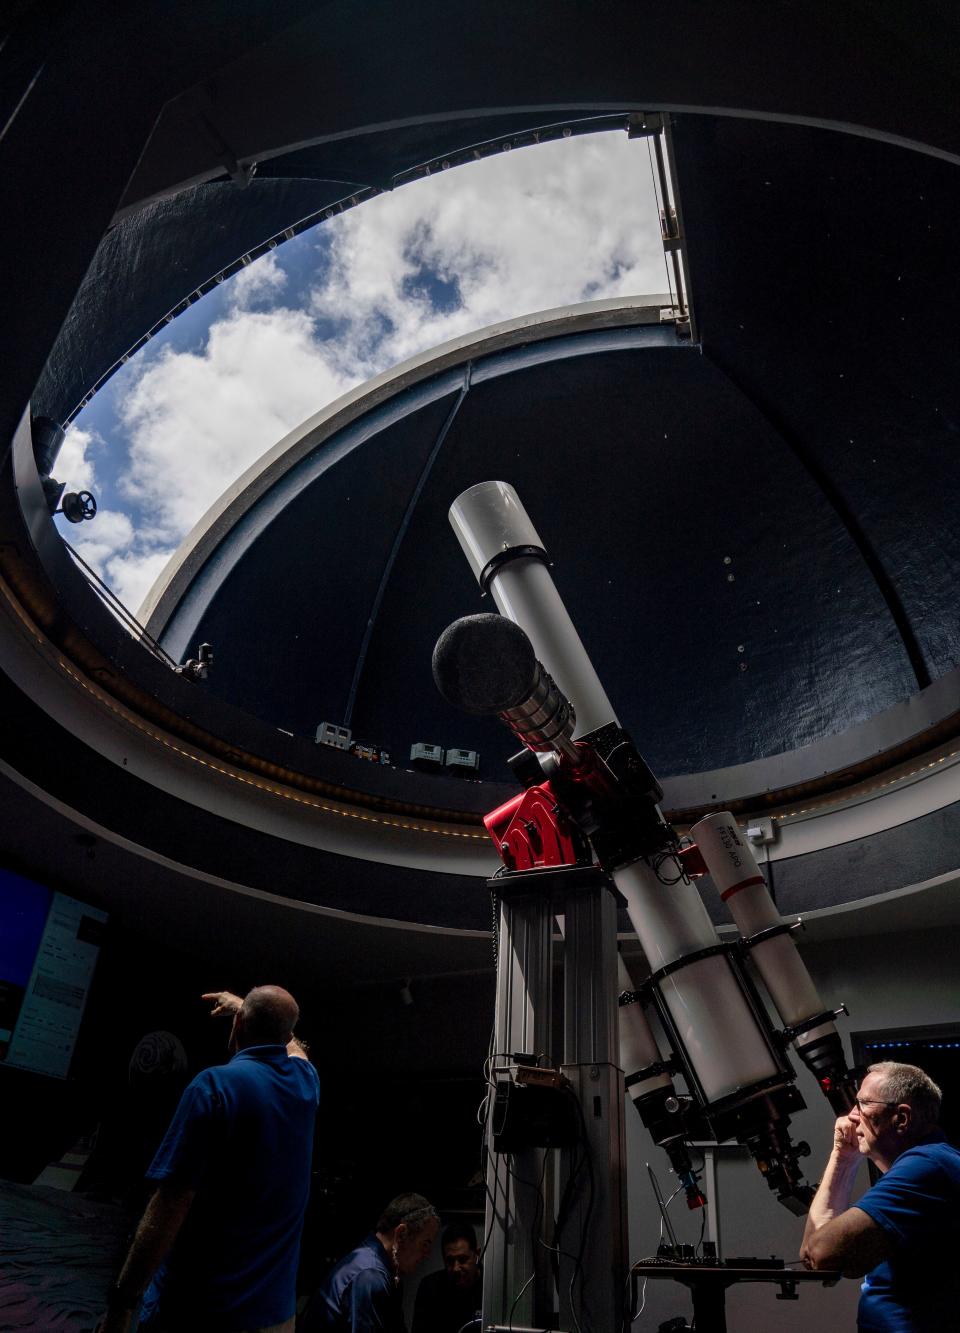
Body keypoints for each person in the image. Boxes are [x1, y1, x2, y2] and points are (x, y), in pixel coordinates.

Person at [99, 986, 320, 1333]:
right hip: (276, 1317)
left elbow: (169, 1205)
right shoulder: (306, 1083)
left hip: (201, 1313)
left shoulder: (214, 1087)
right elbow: (294, 1048)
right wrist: (244, 1008)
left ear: (238, 1025)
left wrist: (123, 1301)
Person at [800, 1060, 960, 1330]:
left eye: (862, 1103)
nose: (851, 1115)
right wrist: (844, 1155)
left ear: (902, 1118)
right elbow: (813, 1256)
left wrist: (841, 1158)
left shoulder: (926, 1167)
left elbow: (820, 1254)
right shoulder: (929, 1163)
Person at [299, 1193, 439, 1332]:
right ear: (401, 1234)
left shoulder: (381, 1266)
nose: (427, 1254)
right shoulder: (370, 1275)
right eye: (425, 1244)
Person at [411, 1222, 482, 1333]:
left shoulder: (490, 1286)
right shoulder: (430, 1287)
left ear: (476, 1254)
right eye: (450, 1261)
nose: (456, 1268)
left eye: (463, 1259)